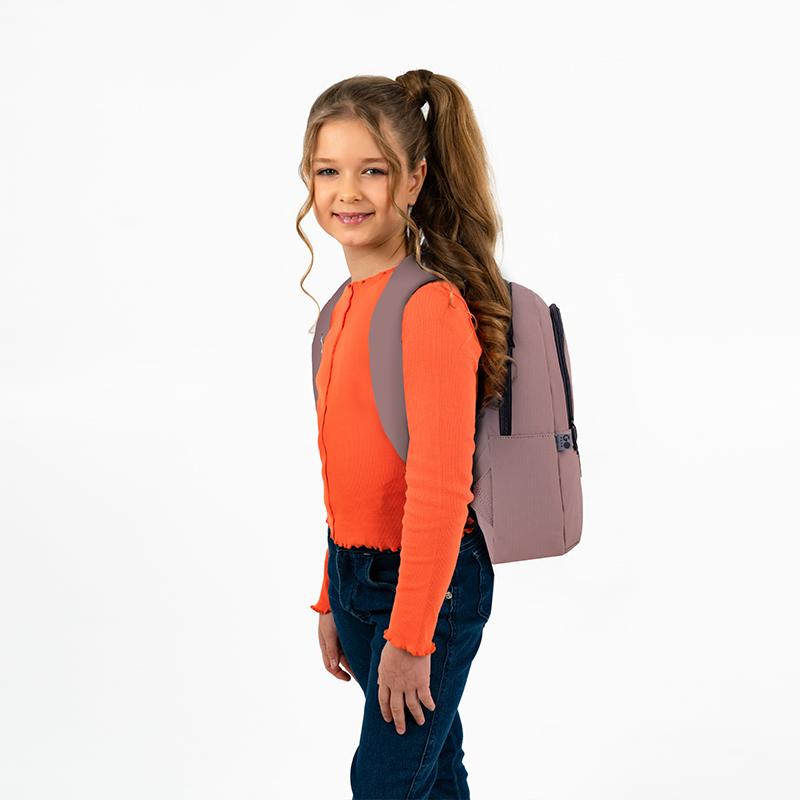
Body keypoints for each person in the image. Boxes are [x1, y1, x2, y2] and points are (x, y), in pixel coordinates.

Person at [296, 69, 513, 800]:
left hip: (427, 588)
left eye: (373, 170)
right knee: (434, 775)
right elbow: (348, 471)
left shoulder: (430, 309)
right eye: (328, 170)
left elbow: (441, 487)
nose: (347, 192)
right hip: (357, 578)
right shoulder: (338, 309)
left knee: (384, 785)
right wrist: (331, 593)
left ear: (415, 180)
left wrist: (412, 635)